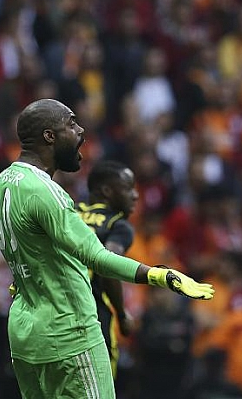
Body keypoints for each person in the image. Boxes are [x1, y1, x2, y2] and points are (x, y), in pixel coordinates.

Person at [0, 98, 214, 399]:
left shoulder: (0, 185)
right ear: (49, 136)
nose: (80, 130)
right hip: (69, 331)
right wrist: (161, 276)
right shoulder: (46, 192)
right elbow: (98, 257)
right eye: (71, 124)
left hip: (25, 333)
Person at [78, 160, 139, 378]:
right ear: (107, 191)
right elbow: (108, 265)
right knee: (100, 387)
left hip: (52, 315)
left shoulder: (69, 214)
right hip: (91, 317)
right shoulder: (116, 225)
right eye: (128, 188)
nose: (135, 195)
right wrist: (121, 314)